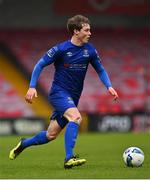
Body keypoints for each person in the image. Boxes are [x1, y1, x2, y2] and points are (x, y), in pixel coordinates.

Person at [9, 15, 118, 169]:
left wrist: (109, 86)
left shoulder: (90, 50)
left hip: (73, 97)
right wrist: (32, 86)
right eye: (86, 30)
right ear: (76, 31)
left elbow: (100, 69)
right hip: (58, 93)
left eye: (90, 30)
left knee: (50, 135)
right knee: (76, 117)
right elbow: (40, 65)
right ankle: (69, 158)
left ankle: (23, 143)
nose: (90, 33)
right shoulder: (60, 49)